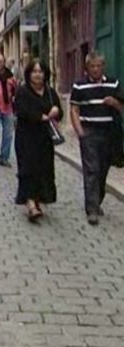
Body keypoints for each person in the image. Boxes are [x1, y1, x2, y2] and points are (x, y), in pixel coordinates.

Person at [70, 52, 124, 225]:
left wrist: (114, 103)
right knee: (92, 170)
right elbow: (74, 109)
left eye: (98, 66)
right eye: (92, 66)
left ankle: (97, 200)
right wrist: (80, 132)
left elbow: (122, 107)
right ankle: (91, 209)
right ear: (87, 68)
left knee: (103, 170)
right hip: (89, 132)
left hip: (109, 133)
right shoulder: (79, 86)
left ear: (103, 66)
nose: (95, 69)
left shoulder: (113, 83)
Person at [14, 59, 62, 222]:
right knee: (28, 169)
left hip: (45, 138)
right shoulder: (22, 91)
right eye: (34, 71)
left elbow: (58, 110)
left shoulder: (50, 91)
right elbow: (20, 110)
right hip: (26, 137)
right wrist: (39, 116)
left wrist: (56, 110)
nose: (37, 75)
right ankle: (30, 205)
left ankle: (38, 199)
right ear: (29, 74)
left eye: (40, 71)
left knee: (43, 169)